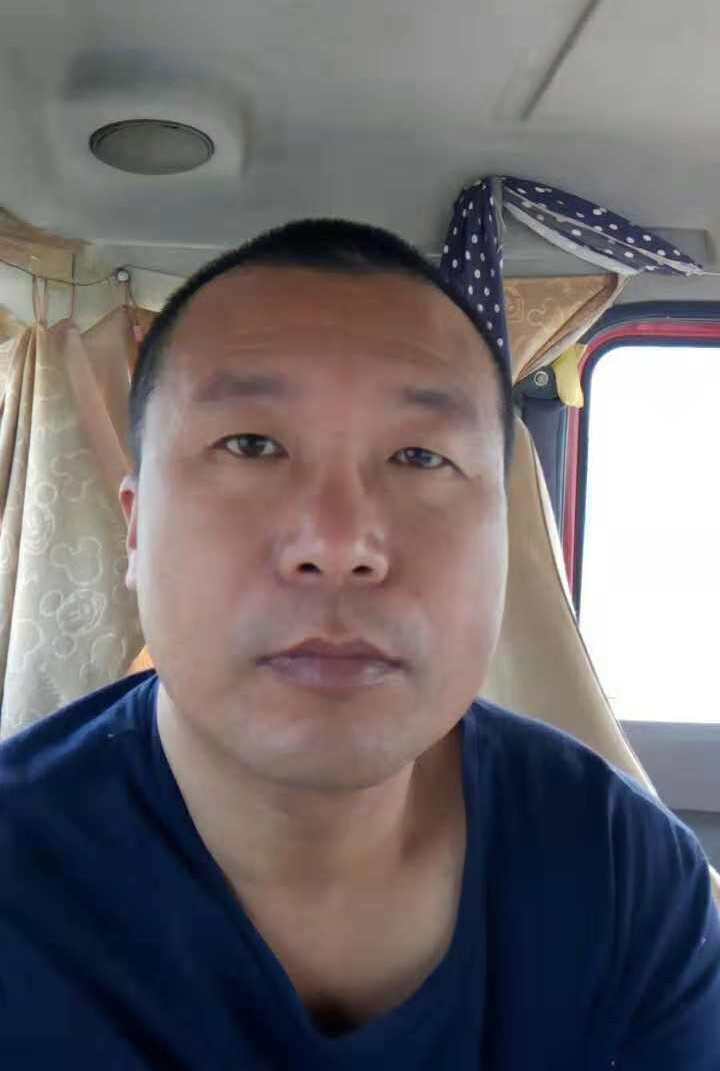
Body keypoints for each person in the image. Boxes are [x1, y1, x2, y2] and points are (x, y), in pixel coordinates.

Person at [0, 218, 718, 1070]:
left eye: (419, 456)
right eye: (251, 444)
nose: (338, 543)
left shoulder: (624, 876)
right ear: (134, 529)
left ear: (509, 535)